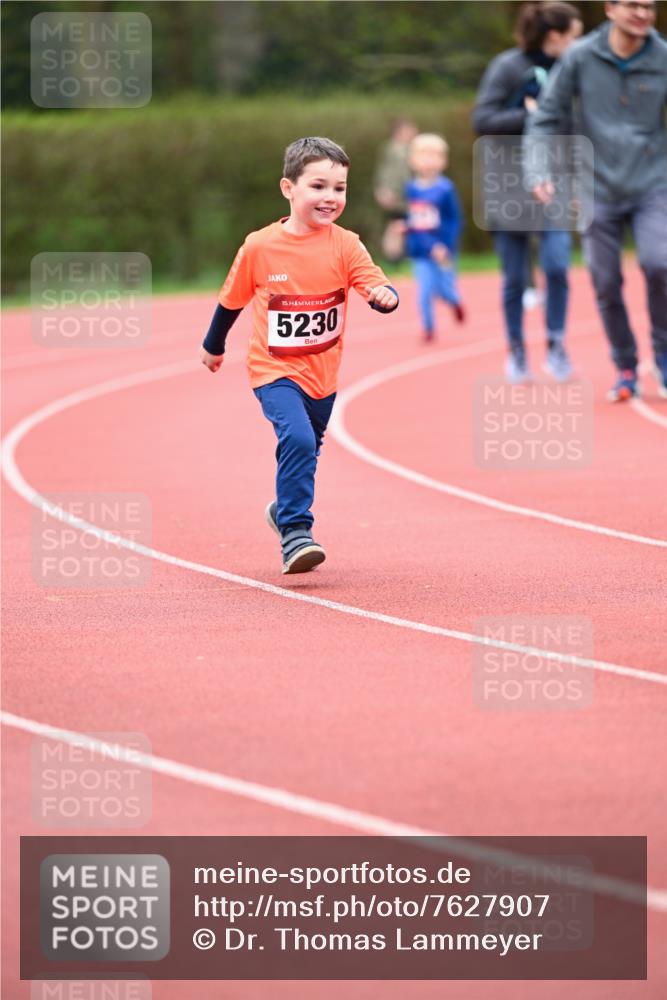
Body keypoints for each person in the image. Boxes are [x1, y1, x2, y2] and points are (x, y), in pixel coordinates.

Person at [199, 136, 399, 574]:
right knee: (299, 439)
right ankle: (295, 532)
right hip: (273, 369)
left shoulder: (345, 244)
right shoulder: (259, 246)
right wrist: (214, 345)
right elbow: (231, 300)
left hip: (323, 375)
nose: (330, 197)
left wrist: (384, 294)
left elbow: (371, 279)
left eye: (339, 188)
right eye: (318, 186)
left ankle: (282, 508)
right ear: (289, 188)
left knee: (306, 452)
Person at [528, 0, 667, 401]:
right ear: (610, 8)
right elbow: (545, 117)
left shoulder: (661, 56)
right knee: (605, 282)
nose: (642, 13)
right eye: (633, 5)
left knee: (660, 265)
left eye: (650, 6)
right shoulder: (580, 57)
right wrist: (539, 171)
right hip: (595, 189)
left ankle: (663, 357)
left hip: (652, 185)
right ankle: (625, 366)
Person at [472, 1, 583, 383]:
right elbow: (482, 119)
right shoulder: (507, 67)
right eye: (575, 35)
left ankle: (556, 345)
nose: (579, 42)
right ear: (555, 36)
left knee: (557, 266)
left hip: (554, 184)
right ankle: (517, 350)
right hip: (508, 184)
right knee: (516, 278)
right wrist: (529, 116)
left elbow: (575, 129)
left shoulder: (573, 70)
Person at [403, 133, 465, 342]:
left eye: (434, 156)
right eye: (423, 155)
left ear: (443, 161)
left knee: (444, 290)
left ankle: (455, 302)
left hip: (442, 251)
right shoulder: (411, 188)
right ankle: (428, 329)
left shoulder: (445, 189)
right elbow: (415, 217)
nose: (428, 161)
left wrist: (444, 245)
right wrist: (405, 227)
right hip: (420, 251)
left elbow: (454, 220)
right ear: (412, 160)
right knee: (424, 292)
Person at [373, 117, 418, 262]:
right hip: (397, 195)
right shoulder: (394, 150)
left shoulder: (410, 149)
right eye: (409, 130)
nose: (414, 132)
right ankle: (393, 259)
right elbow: (386, 173)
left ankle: (402, 257)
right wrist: (384, 190)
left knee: (404, 225)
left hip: (407, 195)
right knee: (396, 225)